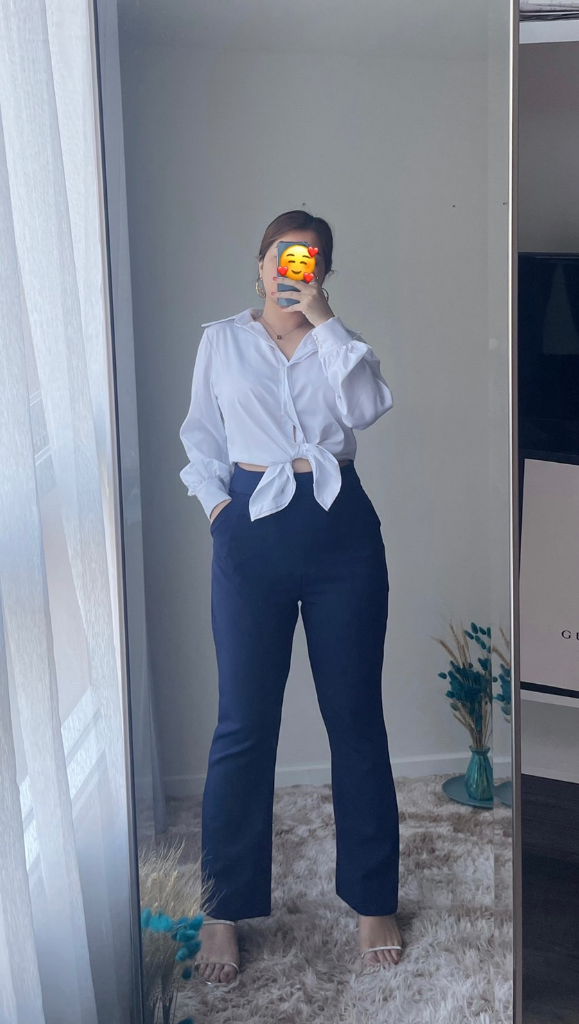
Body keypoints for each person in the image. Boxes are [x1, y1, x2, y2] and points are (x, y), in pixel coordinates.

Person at [179, 210, 403, 984]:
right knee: (242, 724)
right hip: (252, 529)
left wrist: (324, 321)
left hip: (342, 533)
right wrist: (220, 513)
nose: (290, 271)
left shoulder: (341, 345)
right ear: (259, 262)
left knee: (355, 718)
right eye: (282, 257)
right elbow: (200, 439)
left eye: (308, 262)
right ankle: (222, 910)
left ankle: (373, 898)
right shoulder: (221, 342)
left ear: (323, 272)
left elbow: (367, 409)